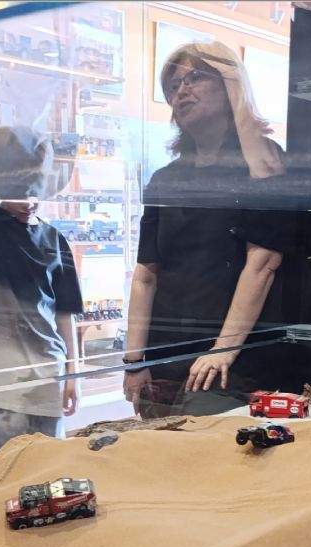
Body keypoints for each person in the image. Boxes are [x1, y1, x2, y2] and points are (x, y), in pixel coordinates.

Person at [122, 41, 295, 417]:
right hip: (166, 354)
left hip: (233, 362)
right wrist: (134, 360)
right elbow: (146, 274)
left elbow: (263, 263)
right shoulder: (166, 179)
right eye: (173, 86)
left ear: (229, 84)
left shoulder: (263, 162)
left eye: (195, 78)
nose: (182, 91)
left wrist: (223, 350)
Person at [0, 126, 83, 463]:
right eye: (18, 191)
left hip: (47, 369)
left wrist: (73, 374)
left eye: (33, 191)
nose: (27, 201)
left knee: (49, 463)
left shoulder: (54, 240)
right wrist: (0, 155)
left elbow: (65, 313)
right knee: (3, 463)